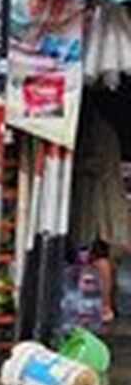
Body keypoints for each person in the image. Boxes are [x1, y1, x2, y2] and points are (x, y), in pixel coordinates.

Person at [69, 103, 131, 323]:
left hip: (97, 207)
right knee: (97, 256)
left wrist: (74, 164)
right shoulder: (104, 130)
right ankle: (100, 305)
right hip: (100, 204)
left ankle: (104, 306)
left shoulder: (96, 131)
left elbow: (95, 165)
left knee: (97, 255)